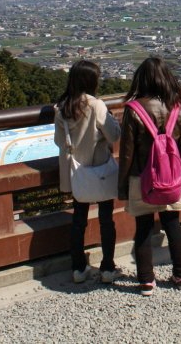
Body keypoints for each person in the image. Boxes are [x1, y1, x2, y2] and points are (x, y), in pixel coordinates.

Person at [118, 56, 181, 296]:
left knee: (143, 228)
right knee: (173, 225)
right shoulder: (177, 109)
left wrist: (122, 185)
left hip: (141, 178)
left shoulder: (133, 110)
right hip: (172, 178)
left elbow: (127, 153)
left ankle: (146, 281)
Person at [54, 60, 122, 284]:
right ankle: (108, 268)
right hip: (100, 168)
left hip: (77, 172)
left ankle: (78, 268)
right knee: (106, 220)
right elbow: (114, 135)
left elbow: (59, 141)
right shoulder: (97, 105)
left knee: (78, 220)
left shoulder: (61, 109)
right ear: (91, 81)